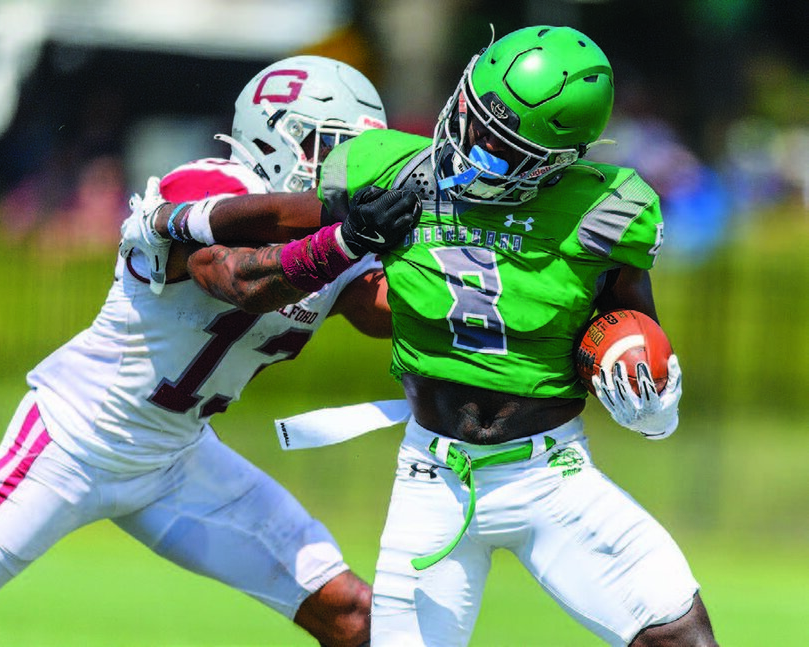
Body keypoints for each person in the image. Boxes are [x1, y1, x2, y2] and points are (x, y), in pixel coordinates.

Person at [127, 26, 720, 646]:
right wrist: (178, 219)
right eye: (472, 118)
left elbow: (632, 328)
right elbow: (278, 216)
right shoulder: (390, 167)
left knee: (681, 639)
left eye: (500, 144)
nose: (470, 144)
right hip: (431, 478)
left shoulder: (604, 210)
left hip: (551, 475)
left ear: (557, 162)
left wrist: (652, 392)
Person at [0, 55, 419, 647]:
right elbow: (237, 279)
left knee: (353, 614)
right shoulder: (210, 186)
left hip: (179, 460)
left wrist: (462, 260)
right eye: (330, 147)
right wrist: (344, 235)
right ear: (279, 135)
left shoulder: (345, 234)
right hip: (74, 441)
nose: (344, 168)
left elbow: (388, 313)